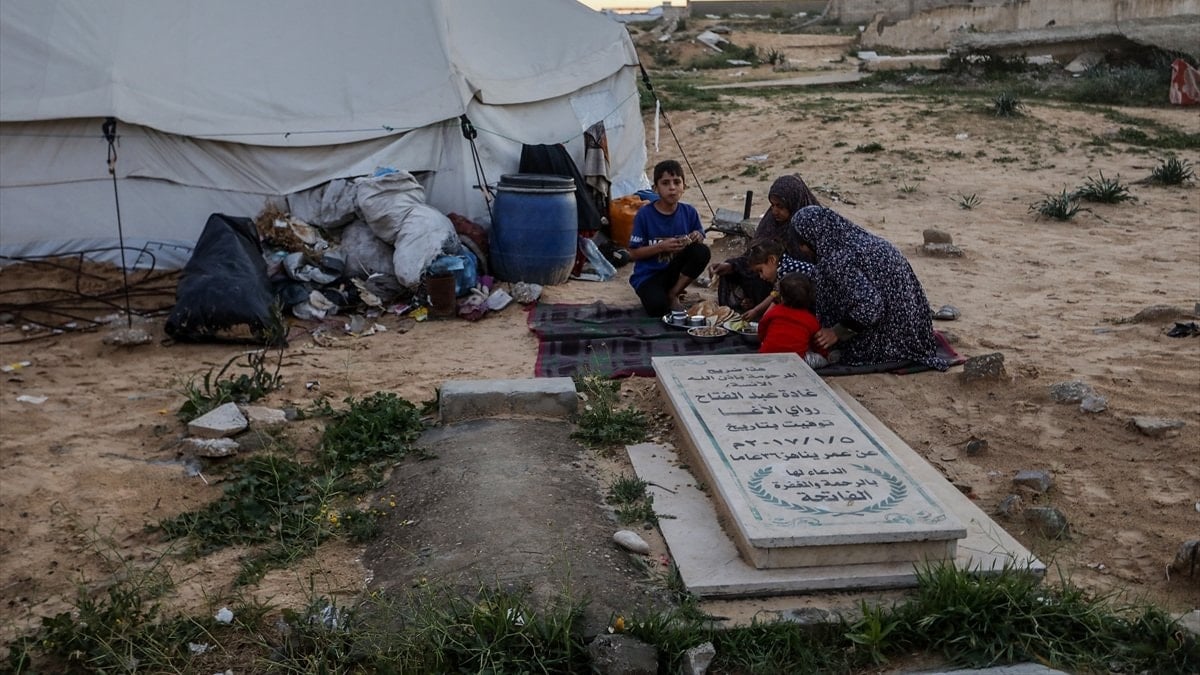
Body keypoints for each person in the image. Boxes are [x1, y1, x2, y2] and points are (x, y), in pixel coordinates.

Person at [790, 205, 948, 370]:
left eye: (803, 243)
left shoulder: (837, 260)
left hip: (892, 340)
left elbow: (871, 306)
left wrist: (836, 332)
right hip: (915, 330)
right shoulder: (852, 239)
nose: (802, 249)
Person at [709, 174, 821, 320]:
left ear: (794, 202)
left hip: (802, 288)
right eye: (772, 205)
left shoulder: (811, 224)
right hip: (773, 276)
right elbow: (756, 257)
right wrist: (731, 265)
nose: (774, 211)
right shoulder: (770, 223)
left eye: (780, 206)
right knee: (741, 273)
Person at [628, 160, 711, 316]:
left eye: (677, 182)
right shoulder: (645, 215)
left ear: (684, 186)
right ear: (655, 189)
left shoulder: (689, 212)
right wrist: (661, 247)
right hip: (649, 276)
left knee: (702, 251)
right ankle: (662, 294)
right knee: (657, 309)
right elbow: (632, 253)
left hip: (674, 272)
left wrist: (697, 236)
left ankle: (674, 293)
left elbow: (699, 238)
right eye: (665, 183)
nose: (672, 188)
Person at [757, 271, 831, 369]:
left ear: (781, 296)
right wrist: (824, 354)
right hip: (796, 362)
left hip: (767, 357)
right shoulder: (811, 320)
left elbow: (762, 326)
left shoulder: (774, 311)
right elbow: (817, 343)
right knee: (823, 359)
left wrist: (763, 340)